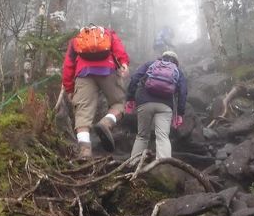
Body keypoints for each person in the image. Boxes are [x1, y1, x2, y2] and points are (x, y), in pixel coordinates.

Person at [62, 24, 130, 159]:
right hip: (108, 70)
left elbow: (68, 65)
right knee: (119, 103)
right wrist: (124, 64)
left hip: (83, 73)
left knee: (82, 112)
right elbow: (119, 50)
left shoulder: (76, 40)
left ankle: (85, 151)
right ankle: (106, 123)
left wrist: (69, 88)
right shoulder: (109, 34)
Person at [125, 49, 187, 160]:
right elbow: (183, 92)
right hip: (165, 106)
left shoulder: (151, 64)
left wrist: (130, 98)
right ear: (176, 61)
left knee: (142, 136)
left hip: (144, 102)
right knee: (163, 137)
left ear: (162, 57)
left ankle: (133, 163)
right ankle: (164, 166)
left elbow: (135, 78)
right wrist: (180, 113)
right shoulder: (177, 71)